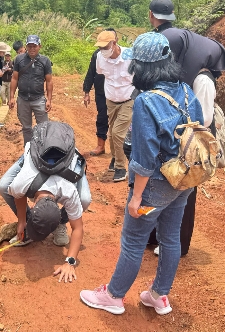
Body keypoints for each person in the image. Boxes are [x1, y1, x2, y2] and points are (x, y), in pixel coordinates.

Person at [80, 31, 204, 316]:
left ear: (139, 66)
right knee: (170, 238)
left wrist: (137, 196)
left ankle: (113, 296)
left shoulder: (146, 101)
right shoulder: (186, 90)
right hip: (183, 179)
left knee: (134, 240)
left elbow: (145, 157)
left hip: (156, 185)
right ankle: (159, 296)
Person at [148, 0, 225, 256]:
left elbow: (204, 118)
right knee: (166, 185)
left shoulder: (203, 79)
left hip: (192, 144)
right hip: (180, 138)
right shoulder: (186, 75)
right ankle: (156, 237)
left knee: (185, 192)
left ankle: (178, 245)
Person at [0, 121, 91, 280]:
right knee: (3, 185)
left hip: (69, 160)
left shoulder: (68, 191)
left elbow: (77, 229)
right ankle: (29, 223)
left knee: (85, 199)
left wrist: (70, 262)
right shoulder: (22, 183)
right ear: (32, 206)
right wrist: (21, 221)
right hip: (36, 153)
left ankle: (60, 223)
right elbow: (18, 194)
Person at [94, 30, 134, 183]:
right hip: (111, 100)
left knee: (118, 133)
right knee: (111, 132)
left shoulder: (130, 56)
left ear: (114, 43)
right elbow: (101, 74)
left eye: (106, 47)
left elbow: (139, 76)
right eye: (100, 48)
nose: (103, 50)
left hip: (128, 99)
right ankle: (114, 157)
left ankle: (120, 167)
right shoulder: (100, 57)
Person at [9, 35, 53, 144]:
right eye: (29, 46)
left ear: (39, 46)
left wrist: (49, 100)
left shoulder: (45, 61)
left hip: (38, 99)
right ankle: (28, 150)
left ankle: (42, 149)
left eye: (35, 46)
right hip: (23, 99)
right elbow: (14, 79)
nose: (32, 49)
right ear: (26, 46)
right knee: (26, 127)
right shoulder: (19, 60)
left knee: (43, 127)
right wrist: (11, 97)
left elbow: (49, 81)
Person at [82, 28, 117, 158]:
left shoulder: (123, 55)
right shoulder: (97, 54)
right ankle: (100, 146)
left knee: (119, 122)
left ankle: (118, 151)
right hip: (102, 92)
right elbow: (91, 73)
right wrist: (86, 92)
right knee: (102, 117)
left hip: (118, 93)